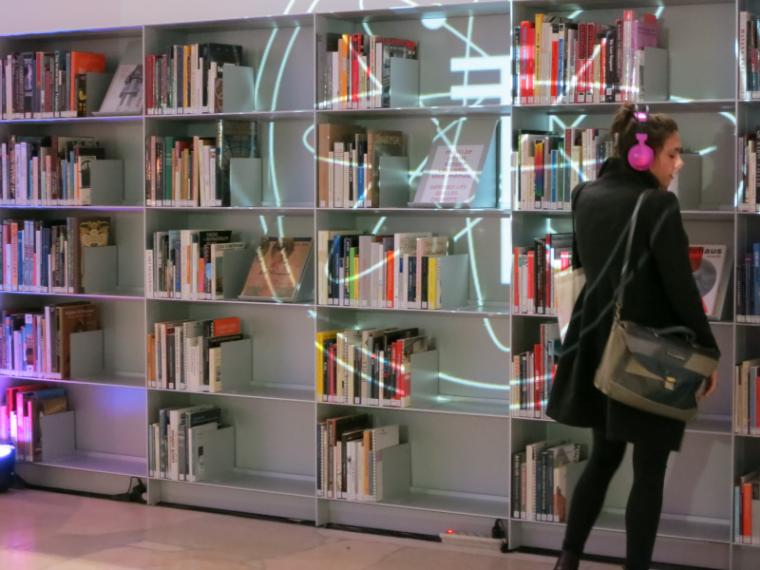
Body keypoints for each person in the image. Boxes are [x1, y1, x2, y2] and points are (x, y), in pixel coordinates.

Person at [545, 102, 720, 570]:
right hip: (649, 354)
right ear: (642, 157)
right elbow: (681, 289)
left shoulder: (585, 194)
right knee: (649, 470)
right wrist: (708, 351)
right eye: (672, 154)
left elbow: (584, 266)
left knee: (602, 458)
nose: (678, 164)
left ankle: (567, 560)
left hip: (598, 349)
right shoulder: (657, 204)